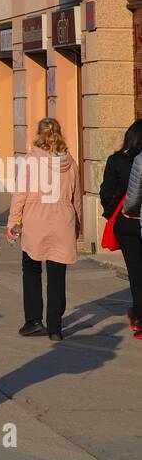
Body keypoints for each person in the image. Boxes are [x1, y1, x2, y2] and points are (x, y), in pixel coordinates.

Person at [9, 117, 82, 342]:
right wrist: (77, 225)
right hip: (63, 220)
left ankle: (33, 320)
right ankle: (55, 327)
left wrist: (13, 221)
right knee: (57, 274)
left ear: (39, 135)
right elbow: (76, 197)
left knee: (31, 268)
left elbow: (20, 194)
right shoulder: (70, 163)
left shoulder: (31, 161)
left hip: (35, 220)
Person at [100, 121, 142, 338]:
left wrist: (112, 210)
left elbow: (106, 191)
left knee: (135, 273)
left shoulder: (116, 161)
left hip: (127, 222)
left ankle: (138, 317)